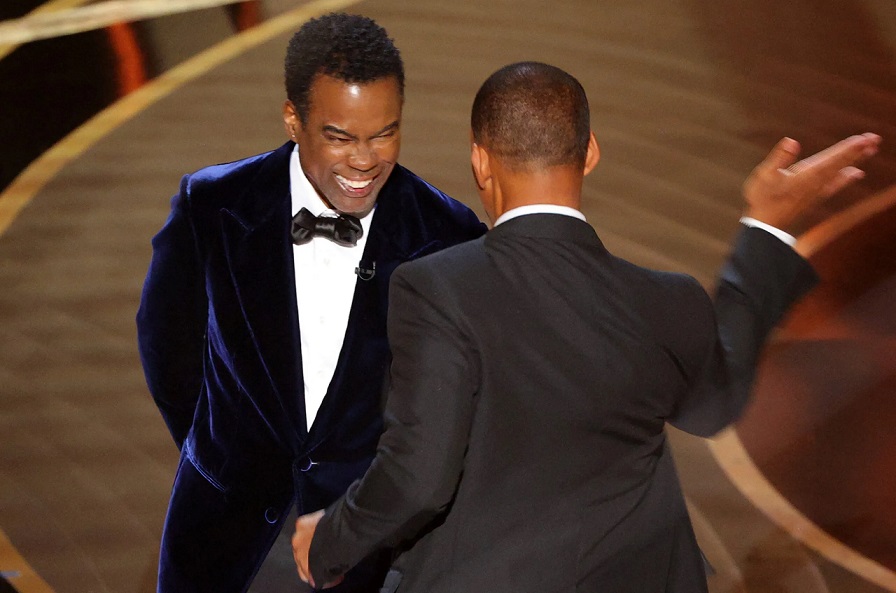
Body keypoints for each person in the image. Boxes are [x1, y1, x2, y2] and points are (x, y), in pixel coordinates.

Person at [290, 62, 881, 592]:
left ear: (480, 162)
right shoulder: (666, 300)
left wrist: (330, 541)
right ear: (590, 152)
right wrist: (766, 227)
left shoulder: (436, 289)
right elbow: (714, 402)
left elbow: (419, 478)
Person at [135, 12, 486, 593]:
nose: (364, 160)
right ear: (293, 120)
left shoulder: (448, 236)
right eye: (340, 137)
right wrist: (229, 459)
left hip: (367, 558)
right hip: (225, 543)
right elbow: (167, 351)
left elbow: (454, 415)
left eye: (384, 134)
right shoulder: (213, 206)